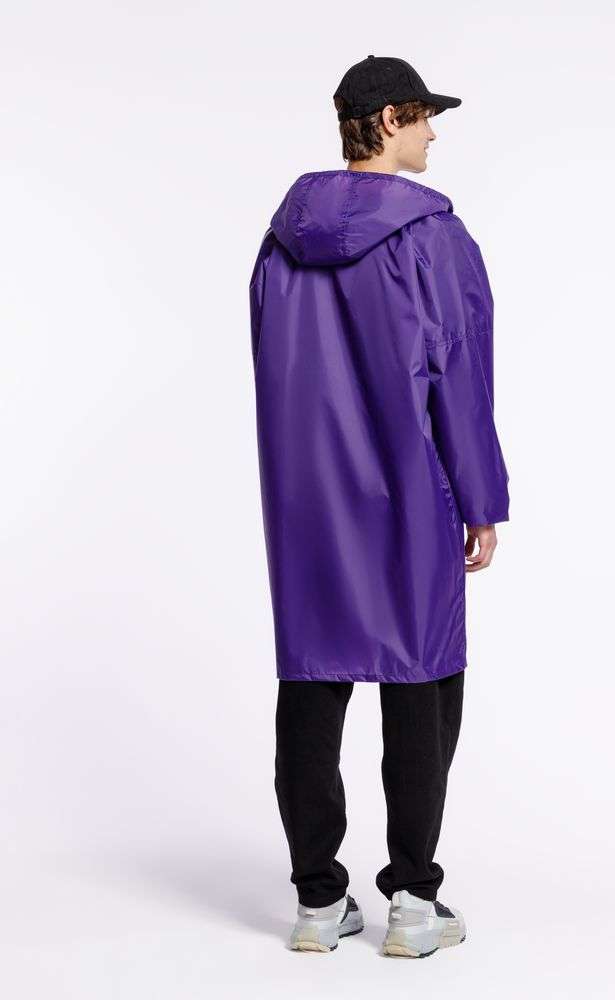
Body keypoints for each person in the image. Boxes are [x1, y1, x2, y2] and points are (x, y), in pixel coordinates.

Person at [248, 54, 510, 957]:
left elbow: (273, 368)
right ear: (391, 119)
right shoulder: (434, 237)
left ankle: (318, 902)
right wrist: (480, 498)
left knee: (310, 679)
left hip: (307, 500)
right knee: (422, 679)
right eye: (425, 116)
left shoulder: (280, 240)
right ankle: (413, 903)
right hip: (409, 491)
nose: (434, 133)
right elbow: (461, 377)